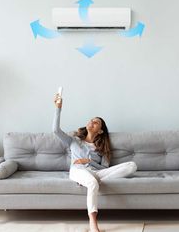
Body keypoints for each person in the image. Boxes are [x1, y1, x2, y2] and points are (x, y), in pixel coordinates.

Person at [53, 93, 137, 232]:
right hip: (78, 170)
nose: (91, 122)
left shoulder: (102, 147)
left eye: (96, 122)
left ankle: (92, 181)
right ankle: (93, 223)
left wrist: (90, 160)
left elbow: (104, 167)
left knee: (132, 166)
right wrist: (58, 108)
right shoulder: (74, 140)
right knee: (92, 182)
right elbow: (55, 130)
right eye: (91, 120)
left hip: (97, 172)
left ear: (100, 130)